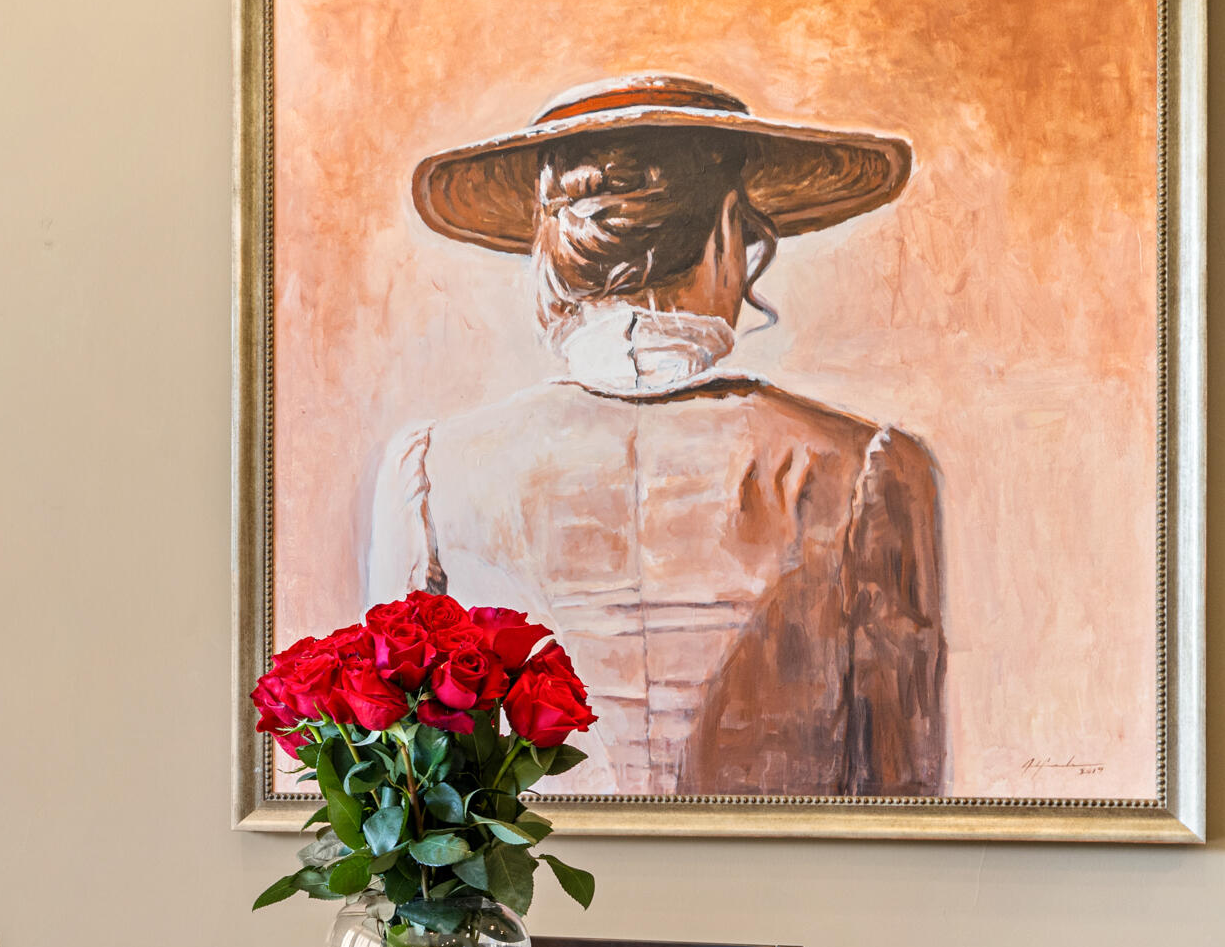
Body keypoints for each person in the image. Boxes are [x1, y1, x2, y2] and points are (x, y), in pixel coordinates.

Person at [367, 74, 945, 797]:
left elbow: (406, 788)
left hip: (538, 876)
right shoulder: (865, 468)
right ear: (728, 230)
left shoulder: (432, 471)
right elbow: (904, 794)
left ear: (554, 247)